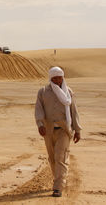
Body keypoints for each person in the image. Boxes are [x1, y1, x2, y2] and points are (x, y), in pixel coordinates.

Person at [35, 66, 82, 197]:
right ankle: (59, 179)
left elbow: (74, 111)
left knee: (60, 157)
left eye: (59, 78)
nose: (57, 81)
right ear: (50, 78)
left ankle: (58, 187)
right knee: (52, 158)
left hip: (64, 129)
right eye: (54, 78)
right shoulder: (43, 92)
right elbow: (39, 109)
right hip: (48, 130)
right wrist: (40, 124)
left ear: (63, 78)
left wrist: (77, 130)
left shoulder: (69, 92)